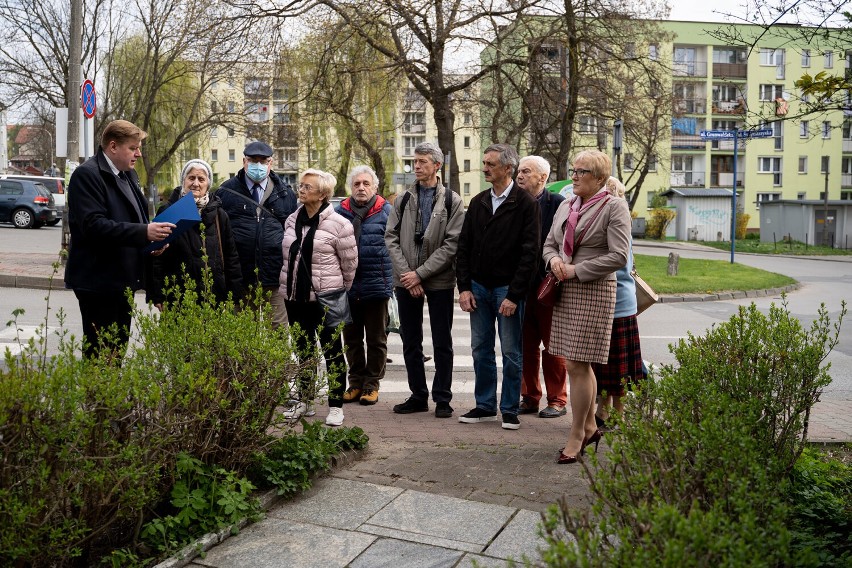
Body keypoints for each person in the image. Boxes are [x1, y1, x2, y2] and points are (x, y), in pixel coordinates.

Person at [542, 150, 631, 464]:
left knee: (580, 364)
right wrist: (553, 260)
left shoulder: (614, 207)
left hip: (593, 291)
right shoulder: (567, 204)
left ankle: (577, 433)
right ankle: (591, 426)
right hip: (564, 289)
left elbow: (619, 256)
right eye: (573, 170)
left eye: (582, 171)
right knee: (573, 364)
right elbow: (550, 243)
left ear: (599, 178)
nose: (574, 176)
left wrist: (576, 270)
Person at [65, 119, 175, 359]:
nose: (138, 154)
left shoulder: (128, 174)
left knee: (116, 352)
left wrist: (151, 242)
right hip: (98, 282)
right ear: (113, 147)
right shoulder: (87, 175)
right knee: (101, 354)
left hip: (121, 280)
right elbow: (94, 226)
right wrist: (144, 233)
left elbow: (135, 220)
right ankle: (96, 398)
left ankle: (106, 397)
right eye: (133, 148)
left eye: (138, 148)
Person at [456, 143, 540, 430]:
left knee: (511, 351)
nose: (485, 168)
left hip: (507, 289)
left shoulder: (525, 203)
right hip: (478, 287)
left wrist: (515, 295)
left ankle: (509, 409)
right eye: (484, 163)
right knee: (480, 348)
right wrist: (464, 287)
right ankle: (485, 405)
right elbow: (464, 247)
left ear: (508, 168)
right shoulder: (479, 201)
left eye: (491, 164)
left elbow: (530, 253)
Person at [385, 142, 465, 418]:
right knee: (410, 340)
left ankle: (443, 397)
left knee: (442, 341)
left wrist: (421, 273)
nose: (416, 166)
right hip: (406, 279)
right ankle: (418, 395)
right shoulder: (403, 199)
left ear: (437, 166)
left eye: (422, 162)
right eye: (414, 162)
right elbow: (391, 238)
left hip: (440, 279)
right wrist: (409, 275)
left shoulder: (453, 200)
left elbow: (452, 244)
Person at [279, 169, 358, 427]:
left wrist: (336, 289)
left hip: (327, 299)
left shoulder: (340, 224)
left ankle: (336, 406)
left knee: (332, 352)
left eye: (307, 187)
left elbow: (350, 265)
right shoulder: (292, 220)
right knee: (303, 352)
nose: (300, 190)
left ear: (323, 194)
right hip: (295, 298)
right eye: (300, 186)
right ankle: (305, 400)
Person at [217, 141, 297, 327]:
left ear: (271, 163)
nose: (258, 166)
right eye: (253, 160)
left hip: (274, 278)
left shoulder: (285, 194)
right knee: (241, 336)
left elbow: (292, 233)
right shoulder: (226, 192)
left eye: (264, 161)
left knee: (277, 333)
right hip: (240, 278)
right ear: (244, 161)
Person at [149, 159, 244, 309]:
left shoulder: (219, 215)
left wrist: (235, 295)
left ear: (208, 183)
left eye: (201, 179)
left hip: (214, 295)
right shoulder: (170, 211)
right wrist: (158, 294)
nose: (196, 183)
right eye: (191, 178)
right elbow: (158, 258)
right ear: (183, 181)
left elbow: (231, 256)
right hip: (178, 296)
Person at [515, 155, 568, 418]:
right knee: (525, 346)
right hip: (520, 288)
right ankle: (530, 397)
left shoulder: (558, 204)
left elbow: (565, 244)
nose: (519, 175)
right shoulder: (513, 202)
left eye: (526, 171)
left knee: (553, 345)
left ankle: (557, 398)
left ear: (542, 178)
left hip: (549, 288)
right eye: (519, 171)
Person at [335, 166, 393, 406]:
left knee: (376, 339)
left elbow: (395, 246)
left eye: (366, 184)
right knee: (351, 338)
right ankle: (356, 382)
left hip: (376, 285)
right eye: (357, 183)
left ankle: (372, 385)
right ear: (351, 187)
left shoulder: (387, 212)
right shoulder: (339, 212)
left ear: (375, 187)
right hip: (347, 287)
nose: (361, 188)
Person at [592, 177, 646, 429]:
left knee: (617, 368)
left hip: (619, 303)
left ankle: (618, 414)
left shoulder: (617, 221)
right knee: (605, 367)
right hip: (609, 304)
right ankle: (604, 411)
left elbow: (619, 263)